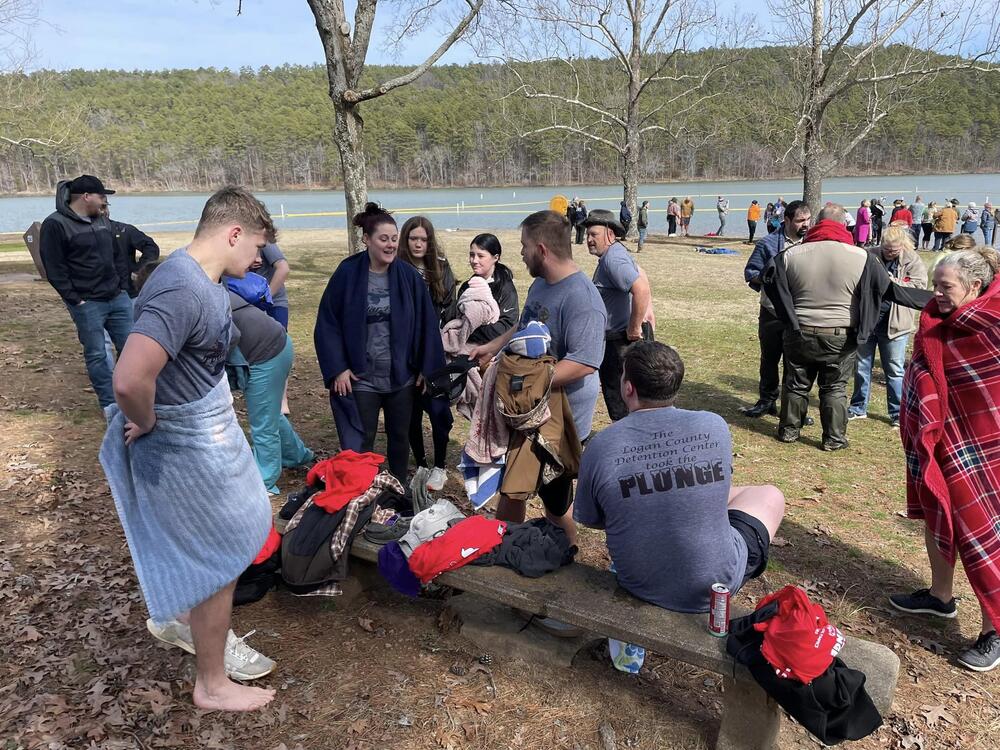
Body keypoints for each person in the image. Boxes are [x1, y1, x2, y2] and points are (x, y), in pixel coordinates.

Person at [101, 186, 279, 711]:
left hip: (207, 444)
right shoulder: (180, 288)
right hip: (184, 450)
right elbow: (131, 380)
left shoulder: (202, 283)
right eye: (256, 247)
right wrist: (149, 421)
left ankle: (187, 622)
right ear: (233, 233)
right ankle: (212, 682)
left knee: (236, 535)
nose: (258, 260)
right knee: (219, 555)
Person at [574, 341, 785, 613]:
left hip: (637, 582)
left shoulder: (601, 445)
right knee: (770, 495)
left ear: (628, 388)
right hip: (717, 585)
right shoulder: (714, 425)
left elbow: (592, 519)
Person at [891, 247, 1000, 672]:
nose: (936, 293)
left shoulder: (992, 326)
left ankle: (995, 627)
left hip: (985, 448)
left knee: (982, 533)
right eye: (935, 284)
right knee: (938, 517)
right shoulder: (937, 320)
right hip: (936, 441)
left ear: (975, 285)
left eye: (945, 286)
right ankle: (940, 597)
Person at [469, 210, 606, 544]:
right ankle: (538, 546)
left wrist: (523, 384)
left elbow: (585, 362)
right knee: (536, 494)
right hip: (526, 407)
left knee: (534, 495)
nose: (521, 252)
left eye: (524, 246)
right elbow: (523, 327)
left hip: (558, 415)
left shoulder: (583, 299)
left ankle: (517, 548)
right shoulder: (542, 284)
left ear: (542, 250)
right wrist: (491, 348)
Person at [762, 203, 932, 451]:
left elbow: (769, 282)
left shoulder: (789, 255)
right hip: (840, 334)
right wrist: (938, 301)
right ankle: (833, 438)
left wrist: (789, 317)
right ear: (844, 224)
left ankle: (789, 431)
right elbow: (892, 292)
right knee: (834, 387)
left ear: (817, 223)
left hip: (800, 330)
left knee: (796, 384)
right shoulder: (863, 257)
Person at [314, 204, 446, 483]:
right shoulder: (348, 274)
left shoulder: (408, 277)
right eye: (383, 238)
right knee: (362, 440)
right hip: (362, 376)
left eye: (394, 238)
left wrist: (425, 368)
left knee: (400, 438)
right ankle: (360, 491)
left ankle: (396, 488)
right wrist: (337, 368)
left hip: (400, 376)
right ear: (367, 239)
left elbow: (426, 324)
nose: (390, 245)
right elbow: (328, 322)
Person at [40, 175, 133, 409]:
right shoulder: (56, 224)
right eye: (102, 196)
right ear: (86, 196)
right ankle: (111, 407)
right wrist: (76, 300)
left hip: (117, 297)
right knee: (98, 356)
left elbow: (116, 255)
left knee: (133, 349)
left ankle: (135, 398)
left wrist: (122, 286)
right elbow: (54, 267)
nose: (104, 201)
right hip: (88, 303)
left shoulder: (101, 220)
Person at [227, 287, 314, 495]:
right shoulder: (202, 291)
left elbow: (228, 337)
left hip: (267, 353)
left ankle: (265, 481)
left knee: (263, 422)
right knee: (269, 413)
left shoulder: (201, 297)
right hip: (275, 345)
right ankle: (297, 455)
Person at [398, 216, 457, 490]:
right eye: (413, 239)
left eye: (423, 239)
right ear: (405, 240)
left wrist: (435, 355)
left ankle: (440, 466)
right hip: (405, 354)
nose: (418, 244)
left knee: (438, 411)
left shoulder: (441, 270)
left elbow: (449, 313)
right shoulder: (397, 269)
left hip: (435, 354)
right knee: (410, 414)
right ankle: (420, 464)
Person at [847, 226, 927, 426]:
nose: (889, 253)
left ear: (902, 245)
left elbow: (919, 288)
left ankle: (897, 413)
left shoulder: (913, 260)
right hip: (869, 321)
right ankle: (858, 407)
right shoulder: (870, 255)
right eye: (886, 249)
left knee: (894, 369)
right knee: (861, 366)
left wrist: (894, 282)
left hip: (896, 324)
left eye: (894, 250)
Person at [741, 200, 812, 418]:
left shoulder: (813, 243)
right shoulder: (768, 244)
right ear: (787, 220)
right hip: (772, 313)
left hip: (801, 314)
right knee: (769, 359)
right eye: (800, 221)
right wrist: (769, 279)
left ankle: (794, 409)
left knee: (797, 364)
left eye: (808, 220)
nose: (806, 225)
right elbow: (750, 272)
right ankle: (767, 401)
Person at [584, 209, 653, 422]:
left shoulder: (612, 260)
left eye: (593, 234)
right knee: (637, 399)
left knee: (621, 400)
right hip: (619, 339)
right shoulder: (615, 254)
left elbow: (641, 289)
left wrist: (634, 328)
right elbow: (641, 274)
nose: (588, 239)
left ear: (610, 234)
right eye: (587, 235)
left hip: (621, 342)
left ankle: (630, 447)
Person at [447, 233, 519, 347]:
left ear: (495, 257)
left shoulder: (506, 288)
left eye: (480, 256)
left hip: (494, 349)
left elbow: (507, 326)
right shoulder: (467, 287)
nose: (474, 260)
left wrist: (469, 330)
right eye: (472, 255)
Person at [99, 196, 159, 299]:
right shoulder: (79, 234)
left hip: (127, 292)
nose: (102, 212)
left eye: (104, 207)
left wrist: (139, 270)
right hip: (96, 295)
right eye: (98, 207)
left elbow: (151, 247)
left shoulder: (124, 230)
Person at [250, 241, 291, 329]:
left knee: (278, 340)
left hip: (274, 303)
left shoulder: (265, 241)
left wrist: (267, 297)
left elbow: (283, 268)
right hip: (248, 304)